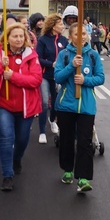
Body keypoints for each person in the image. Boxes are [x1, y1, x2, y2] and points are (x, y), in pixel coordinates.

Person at [0, 22, 42, 191]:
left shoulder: (32, 55)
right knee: (6, 137)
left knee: (22, 140)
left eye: (21, 36)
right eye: (14, 36)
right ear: (7, 38)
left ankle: (16, 159)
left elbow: (35, 80)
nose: (18, 39)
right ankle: (7, 175)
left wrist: (13, 76)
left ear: (26, 38)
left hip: (26, 107)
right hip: (4, 105)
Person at [54, 22, 105, 193]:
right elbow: (58, 77)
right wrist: (71, 66)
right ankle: (68, 170)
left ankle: (83, 178)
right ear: (70, 37)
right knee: (67, 140)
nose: (81, 36)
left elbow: (100, 78)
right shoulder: (64, 55)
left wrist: (85, 81)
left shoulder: (93, 55)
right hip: (66, 106)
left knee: (85, 142)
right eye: (77, 34)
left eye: (84, 33)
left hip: (86, 107)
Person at [35, 14, 68, 144]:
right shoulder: (43, 40)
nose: (63, 26)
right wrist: (51, 64)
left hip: (59, 76)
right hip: (45, 75)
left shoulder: (64, 40)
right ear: (53, 26)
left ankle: (52, 120)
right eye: (60, 24)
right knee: (44, 102)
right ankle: (42, 131)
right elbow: (38, 58)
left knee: (56, 103)